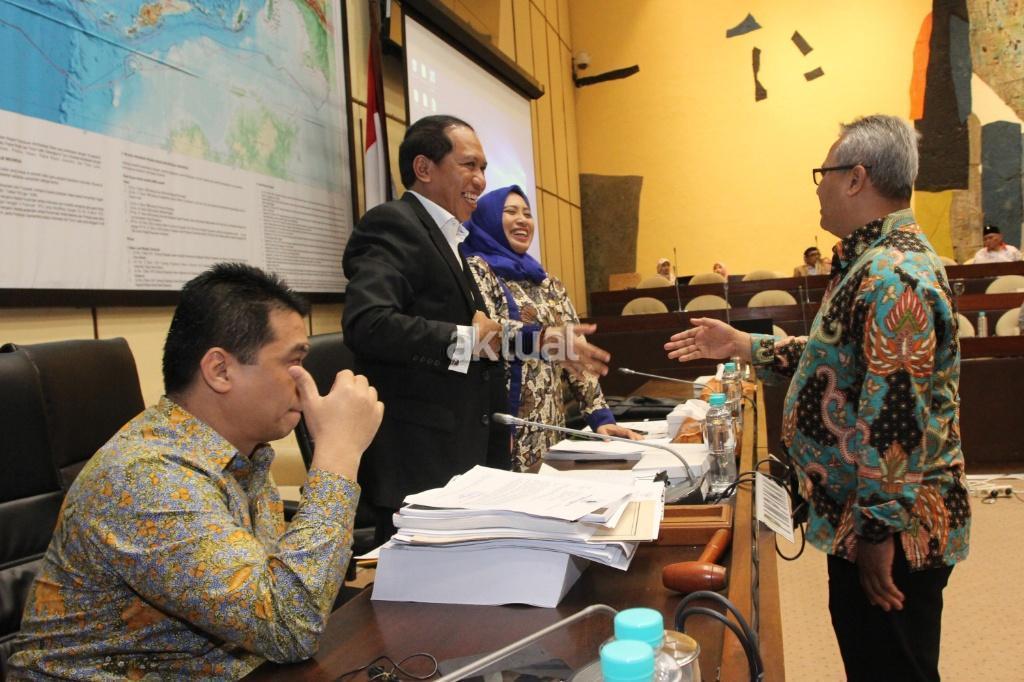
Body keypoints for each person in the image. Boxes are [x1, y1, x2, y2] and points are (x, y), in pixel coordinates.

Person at [665, 115, 970, 682]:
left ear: (856, 178)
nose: (818, 187)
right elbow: (844, 359)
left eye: (823, 173)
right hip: (869, 517)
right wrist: (745, 345)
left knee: (892, 667)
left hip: (891, 530)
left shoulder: (892, 274)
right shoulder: (872, 260)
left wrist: (877, 532)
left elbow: (895, 417)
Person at [8, 263, 384, 679]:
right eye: (292, 362)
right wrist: (338, 454)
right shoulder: (147, 478)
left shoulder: (243, 455)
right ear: (220, 370)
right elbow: (289, 627)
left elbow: (277, 606)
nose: (305, 381)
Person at [343, 116, 606, 542]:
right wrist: (470, 339)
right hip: (422, 462)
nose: (480, 180)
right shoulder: (393, 225)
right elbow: (368, 324)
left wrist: (543, 342)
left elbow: (484, 338)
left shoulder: (452, 239)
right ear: (424, 168)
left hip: (467, 454)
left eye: (483, 168)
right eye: (469, 165)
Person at [463, 185, 636, 470]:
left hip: (550, 431)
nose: (522, 220)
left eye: (527, 214)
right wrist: (541, 339)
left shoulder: (547, 282)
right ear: (488, 219)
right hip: (503, 429)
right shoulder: (477, 270)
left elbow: (576, 353)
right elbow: (482, 338)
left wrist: (601, 418)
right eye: (511, 212)